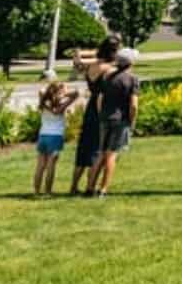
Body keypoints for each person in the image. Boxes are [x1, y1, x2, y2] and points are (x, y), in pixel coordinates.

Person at [69, 34, 121, 195]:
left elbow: (78, 61)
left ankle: (74, 185)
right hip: (103, 106)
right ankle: (90, 186)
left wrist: (89, 54)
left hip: (91, 106)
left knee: (84, 147)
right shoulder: (109, 68)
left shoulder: (91, 66)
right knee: (99, 148)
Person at [88, 48, 140, 198]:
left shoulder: (107, 77)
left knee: (101, 153)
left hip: (105, 117)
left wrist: (101, 114)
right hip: (121, 119)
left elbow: (99, 99)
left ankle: (90, 187)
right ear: (130, 62)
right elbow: (134, 105)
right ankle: (103, 189)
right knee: (112, 154)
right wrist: (132, 121)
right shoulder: (132, 79)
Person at [31, 79, 78, 197]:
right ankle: (47, 191)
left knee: (40, 165)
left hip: (43, 135)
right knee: (51, 165)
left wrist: (53, 92)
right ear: (59, 91)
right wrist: (63, 94)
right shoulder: (61, 105)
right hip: (55, 137)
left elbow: (41, 91)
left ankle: (36, 191)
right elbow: (76, 94)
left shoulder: (44, 102)